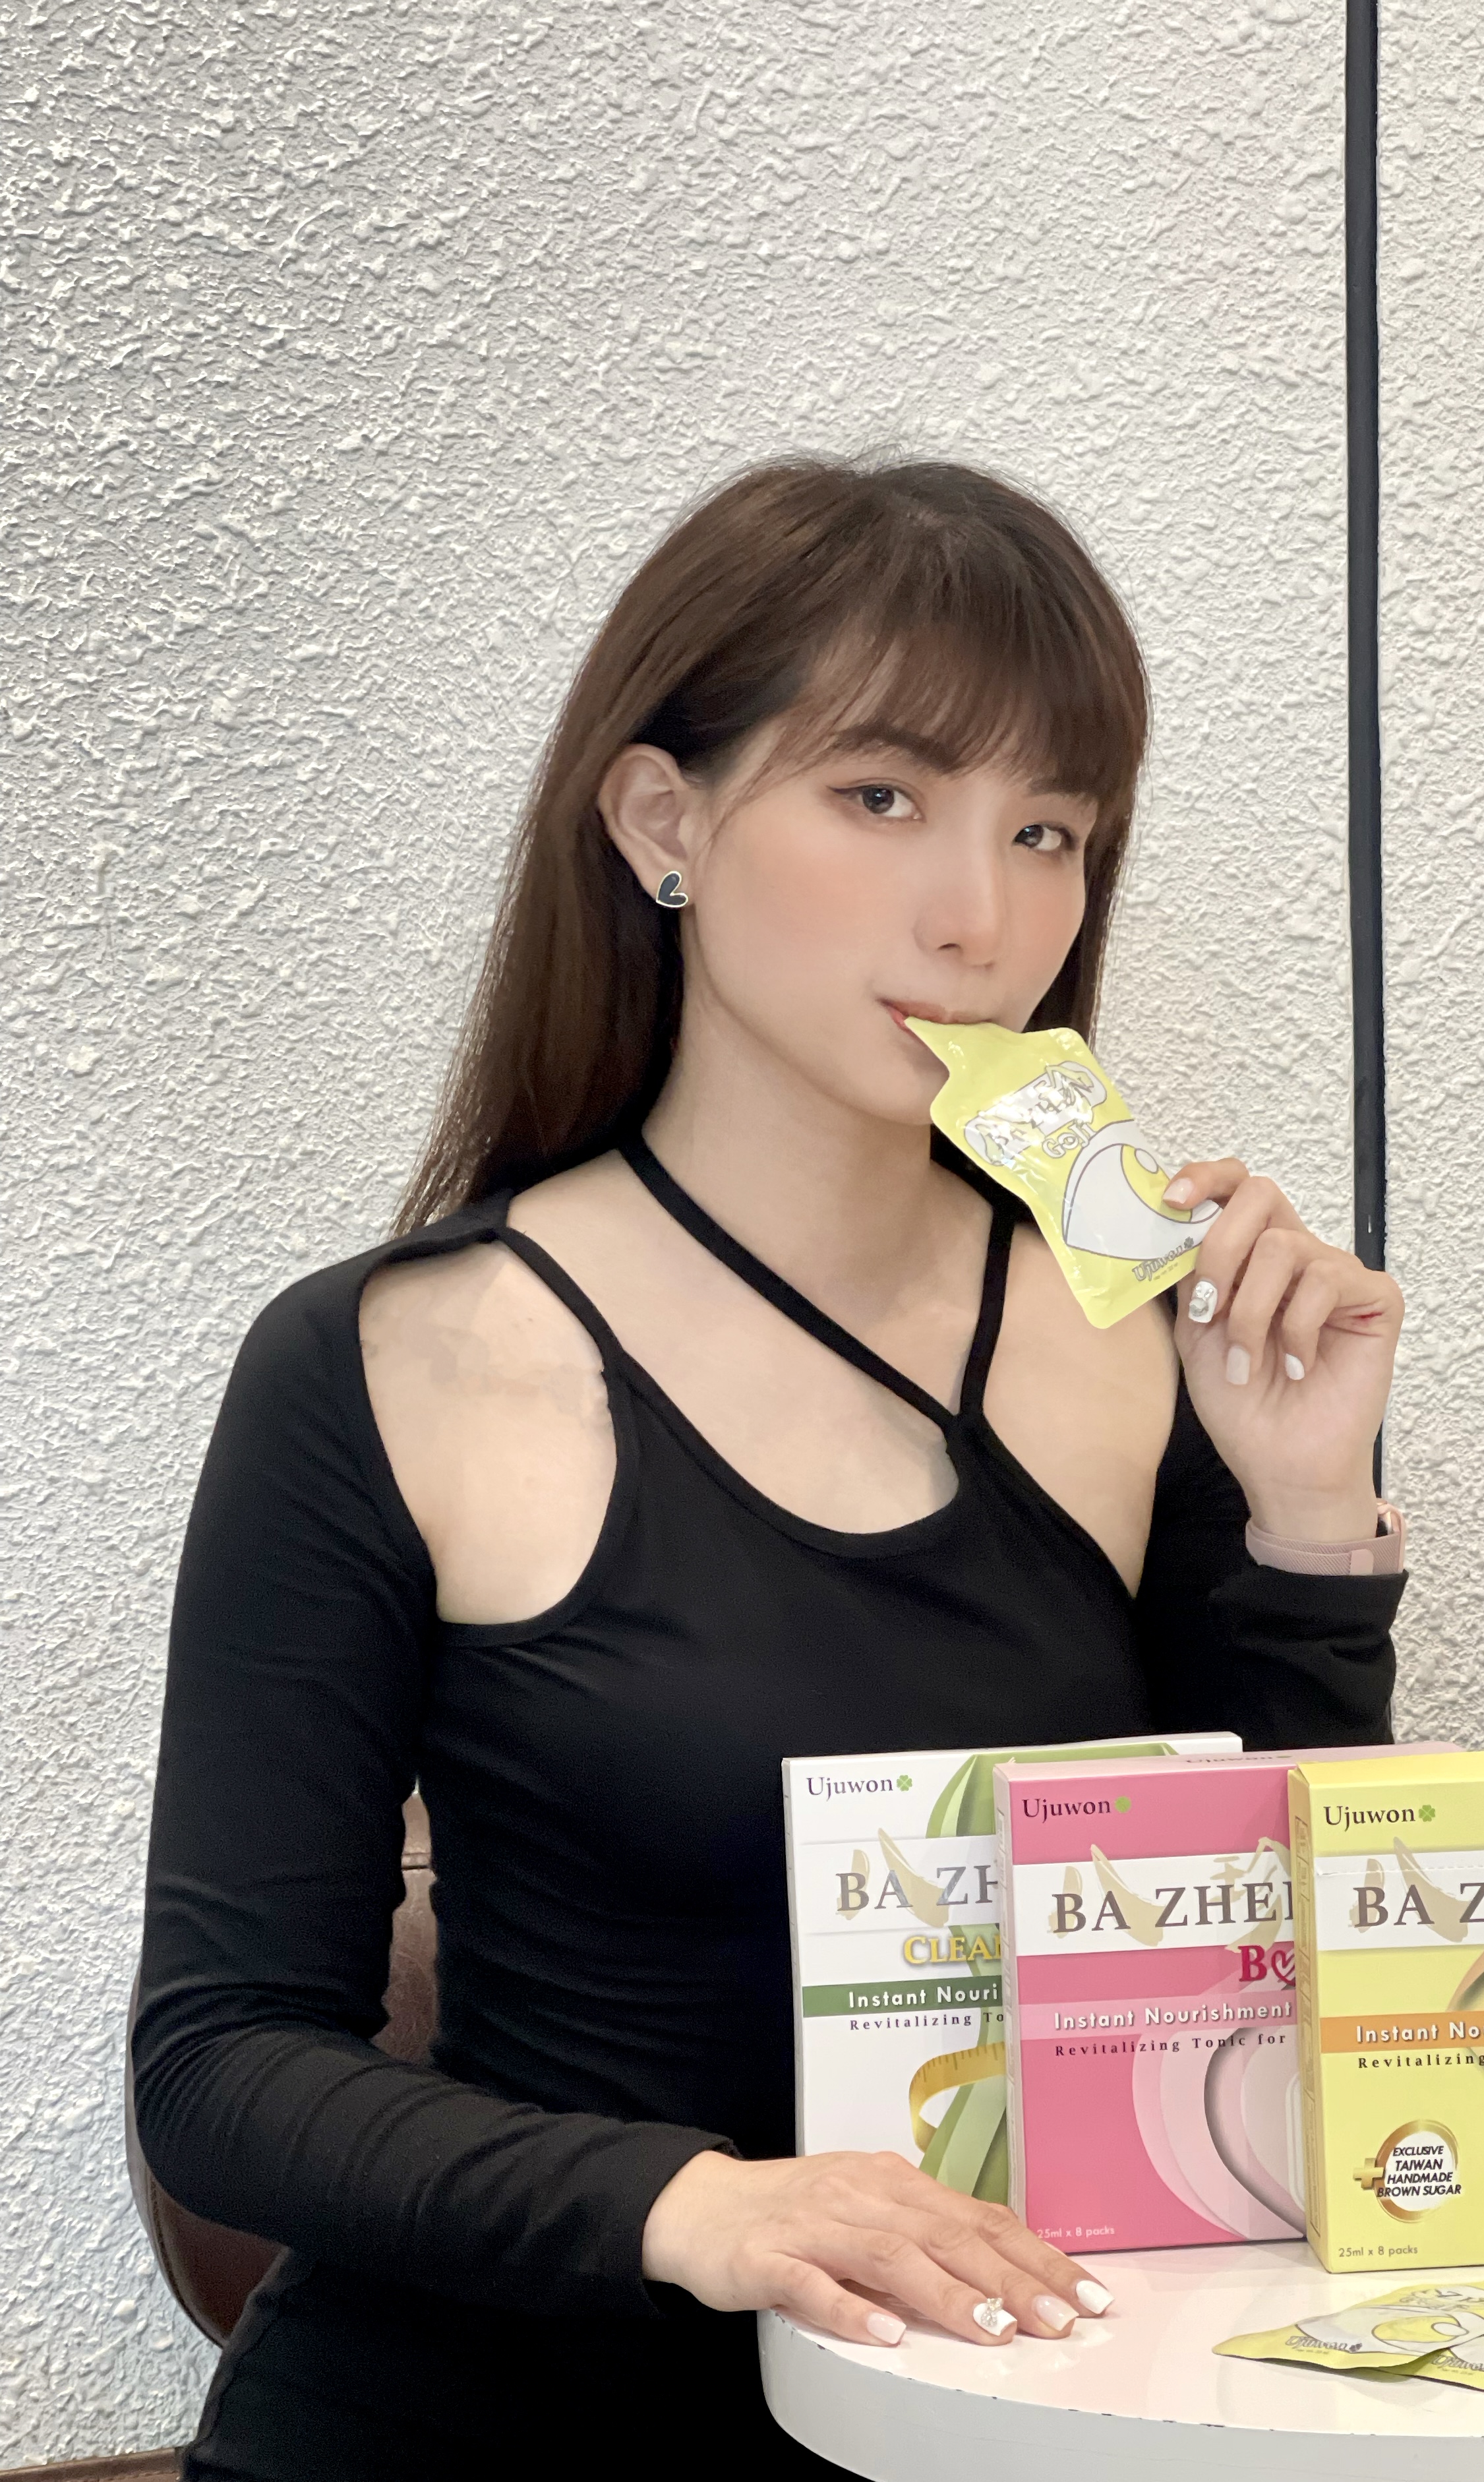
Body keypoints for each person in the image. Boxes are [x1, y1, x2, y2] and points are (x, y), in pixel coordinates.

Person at [133, 456, 1408, 2480]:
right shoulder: (393, 1360)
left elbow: (1275, 2004)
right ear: (664, 821)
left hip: (997, 2424)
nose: (980, 914)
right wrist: (701, 2205)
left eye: (1050, 830)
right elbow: (221, 2068)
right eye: (882, 796)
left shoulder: (1136, 1341)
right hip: (474, 2430)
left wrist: (1307, 1519)